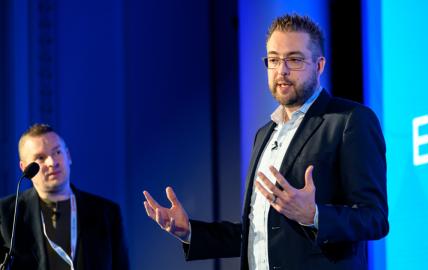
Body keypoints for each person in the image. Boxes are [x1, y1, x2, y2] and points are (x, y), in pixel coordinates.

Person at [143, 13, 388, 270]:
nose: (281, 70)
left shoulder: (350, 120)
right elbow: (259, 230)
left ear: (319, 65)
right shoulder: (265, 133)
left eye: (294, 59)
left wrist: (314, 215)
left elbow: (375, 218)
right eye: (273, 59)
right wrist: (190, 232)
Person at [0, 124, 129, 270]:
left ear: (68, 155)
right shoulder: (6, 214)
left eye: (57, 152)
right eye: (40, 158)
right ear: (24, 168)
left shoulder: (106, 212)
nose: (52, 162)